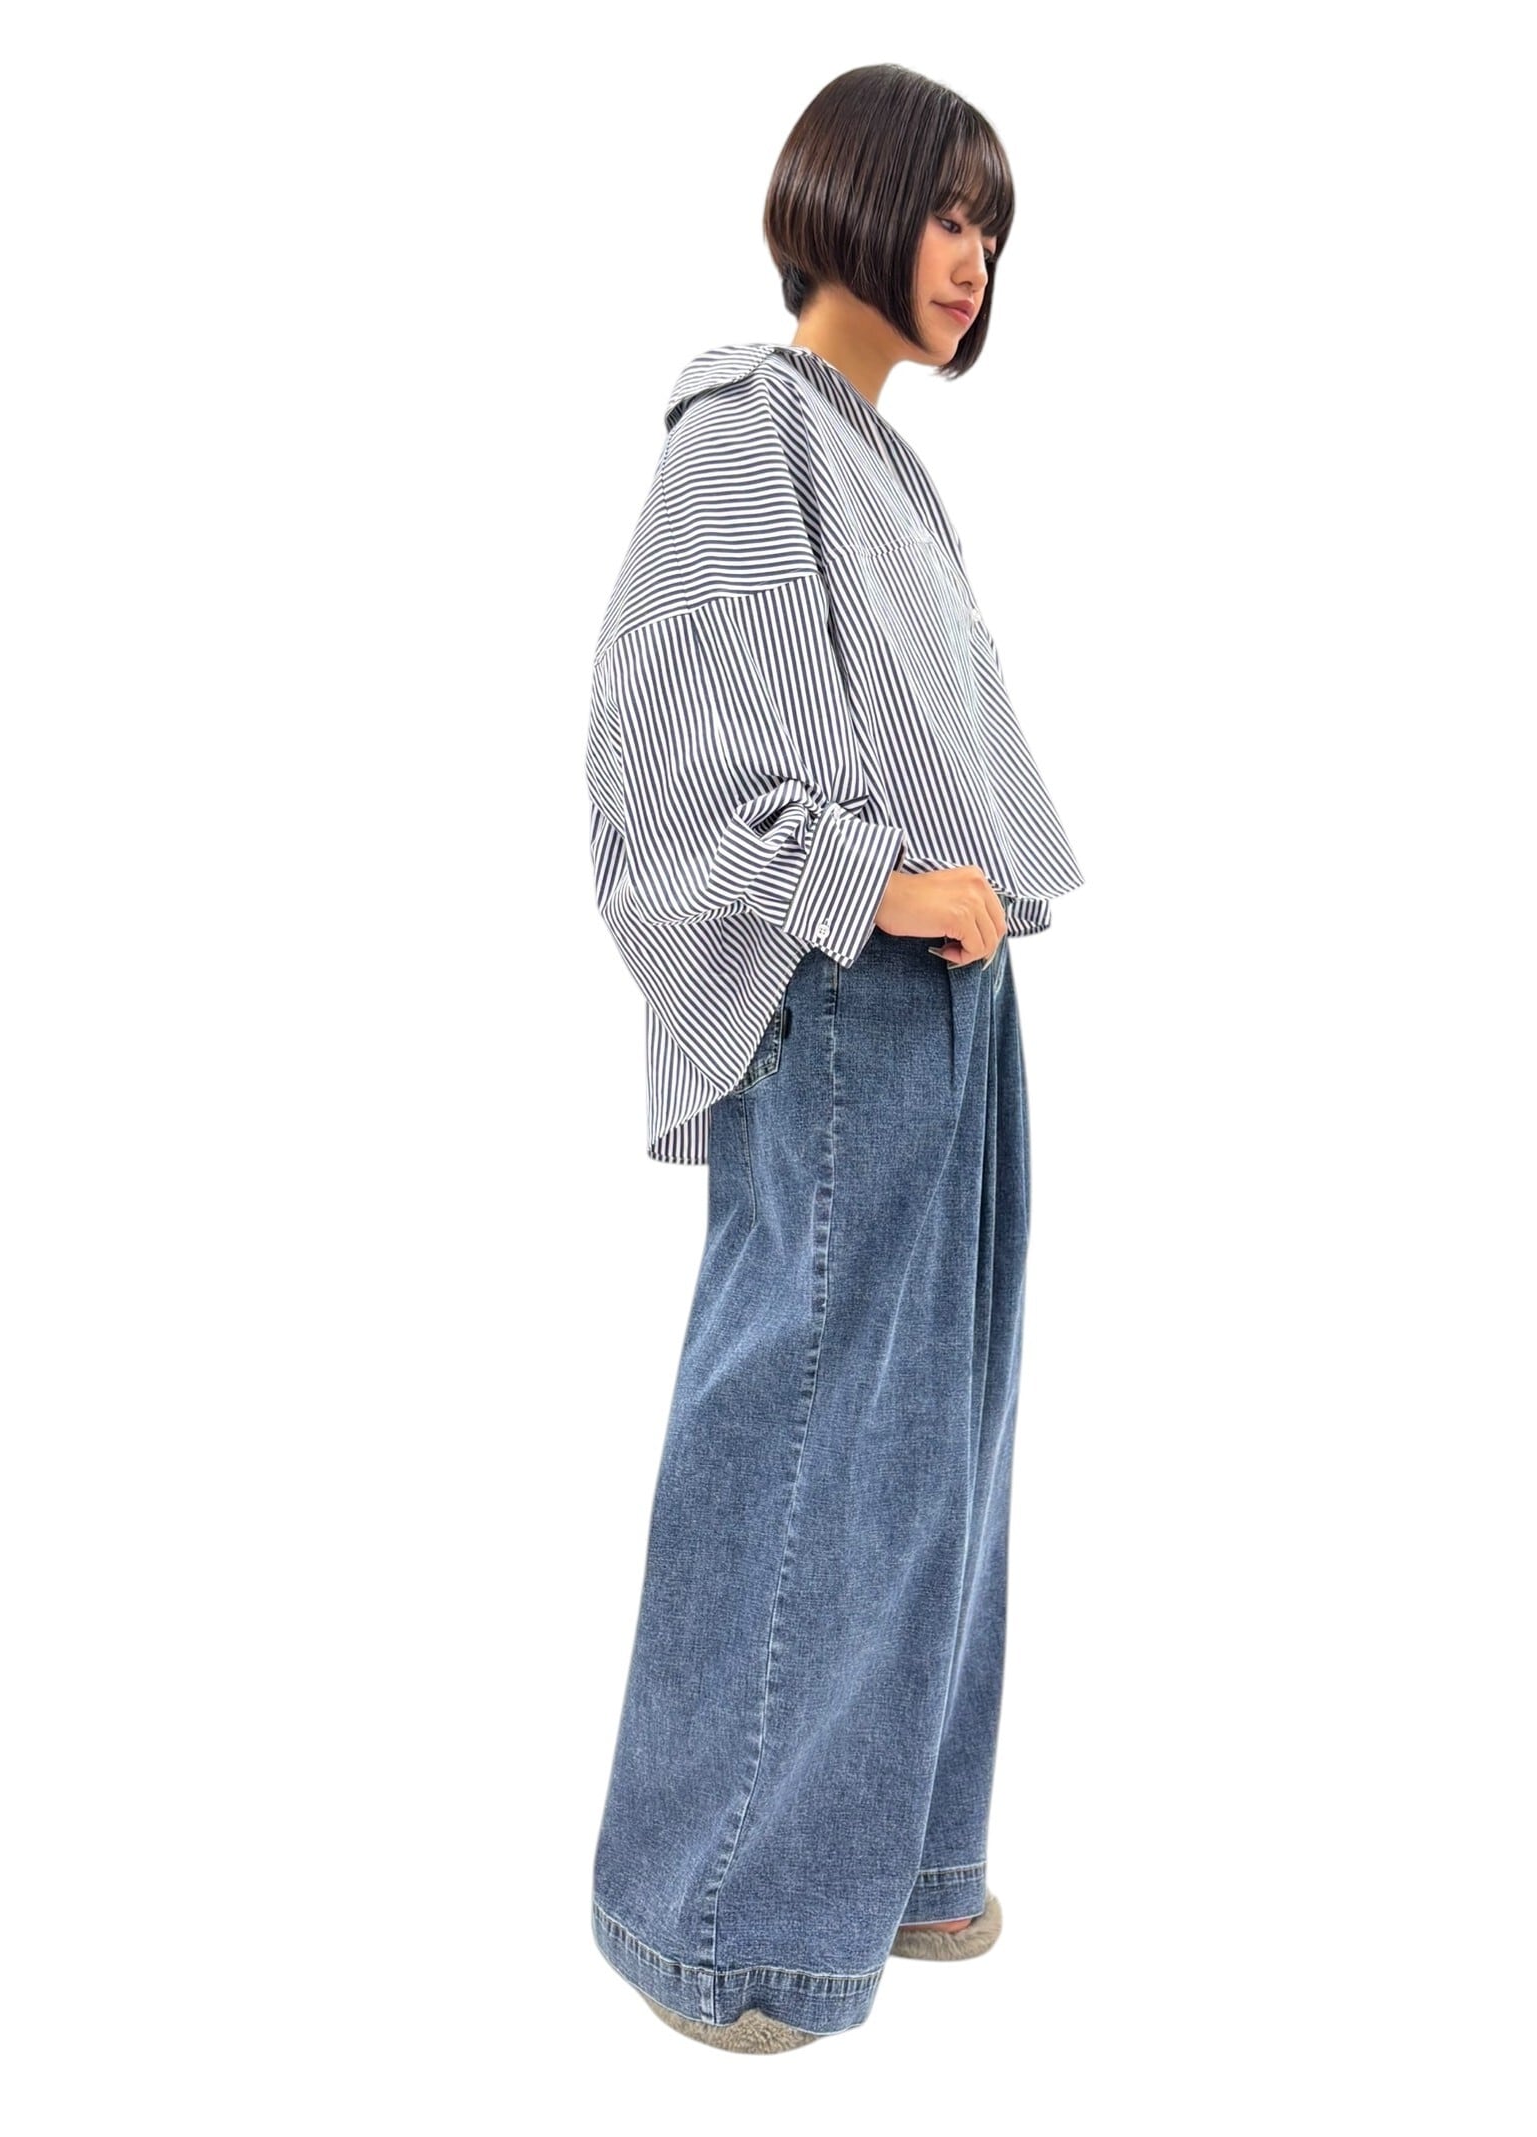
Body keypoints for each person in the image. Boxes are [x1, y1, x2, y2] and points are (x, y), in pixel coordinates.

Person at [585, 62, 1085, 2053]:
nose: (971, 261)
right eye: (948, 213)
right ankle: (715, 1921)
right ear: (853, 200)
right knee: (802, 1433)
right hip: (851, 990)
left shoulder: (880, 462)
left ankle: (901, 1860)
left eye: (993, 232)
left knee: (938, 1434)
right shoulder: (746, 428)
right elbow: (671, 762)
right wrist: (880, 883)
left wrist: (960, 906)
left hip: (949, 999)